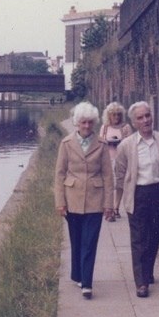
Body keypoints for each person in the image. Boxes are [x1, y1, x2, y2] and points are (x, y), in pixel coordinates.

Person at [54, 101, 114, 299]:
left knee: (90, 242)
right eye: (83, 122)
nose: (87, 126)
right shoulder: (66, 143)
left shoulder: (102, 145)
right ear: (76, 123)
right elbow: (60, 174)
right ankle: (77, 274)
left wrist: (109, 205)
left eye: (90, 122)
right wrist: (60, 202)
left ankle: (87, 283)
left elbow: (108, 176)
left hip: (95, 201)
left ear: (94, 123)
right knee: (76, 240)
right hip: (72, 199)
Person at [115, 101, 159, 298]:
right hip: (138, 194)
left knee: (154, 236)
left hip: (158, 193)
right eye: (140, 117)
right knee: (139, 238)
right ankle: (141, 282)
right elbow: (120, 174)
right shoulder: (126, 145)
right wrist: (115, 203)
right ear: (133, 122)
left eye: (147, 115)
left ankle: (148, 271)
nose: (146, 120)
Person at [99, 101, 132, 221]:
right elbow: (100, 143)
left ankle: (116, 208)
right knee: (108, 184)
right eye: (114, 114)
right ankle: (109, 208)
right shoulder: (105, 127)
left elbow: (130, 144)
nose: (116, 117)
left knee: (119, 183)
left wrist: (121, 142)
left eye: (118, 114)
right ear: (109, 115)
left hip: (122, 159)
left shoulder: (126, 127)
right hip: (108, 159)